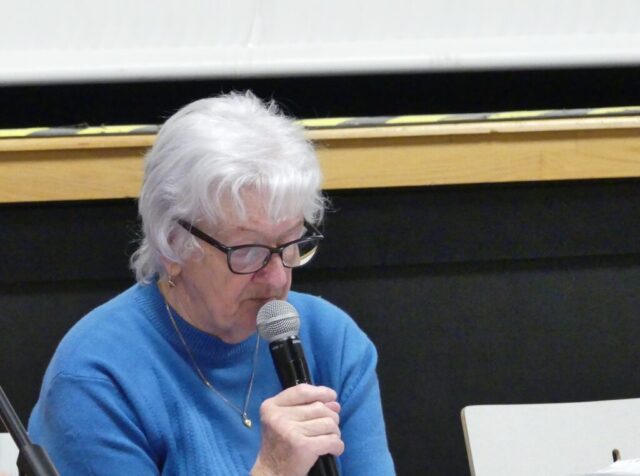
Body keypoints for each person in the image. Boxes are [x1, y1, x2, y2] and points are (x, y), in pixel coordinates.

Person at [28, 91, 395, 475]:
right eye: (248, 252)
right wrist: (272, 470)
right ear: (173, 244)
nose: (277, 278)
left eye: (290, 243)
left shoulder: (331, 340)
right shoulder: (97, 377)